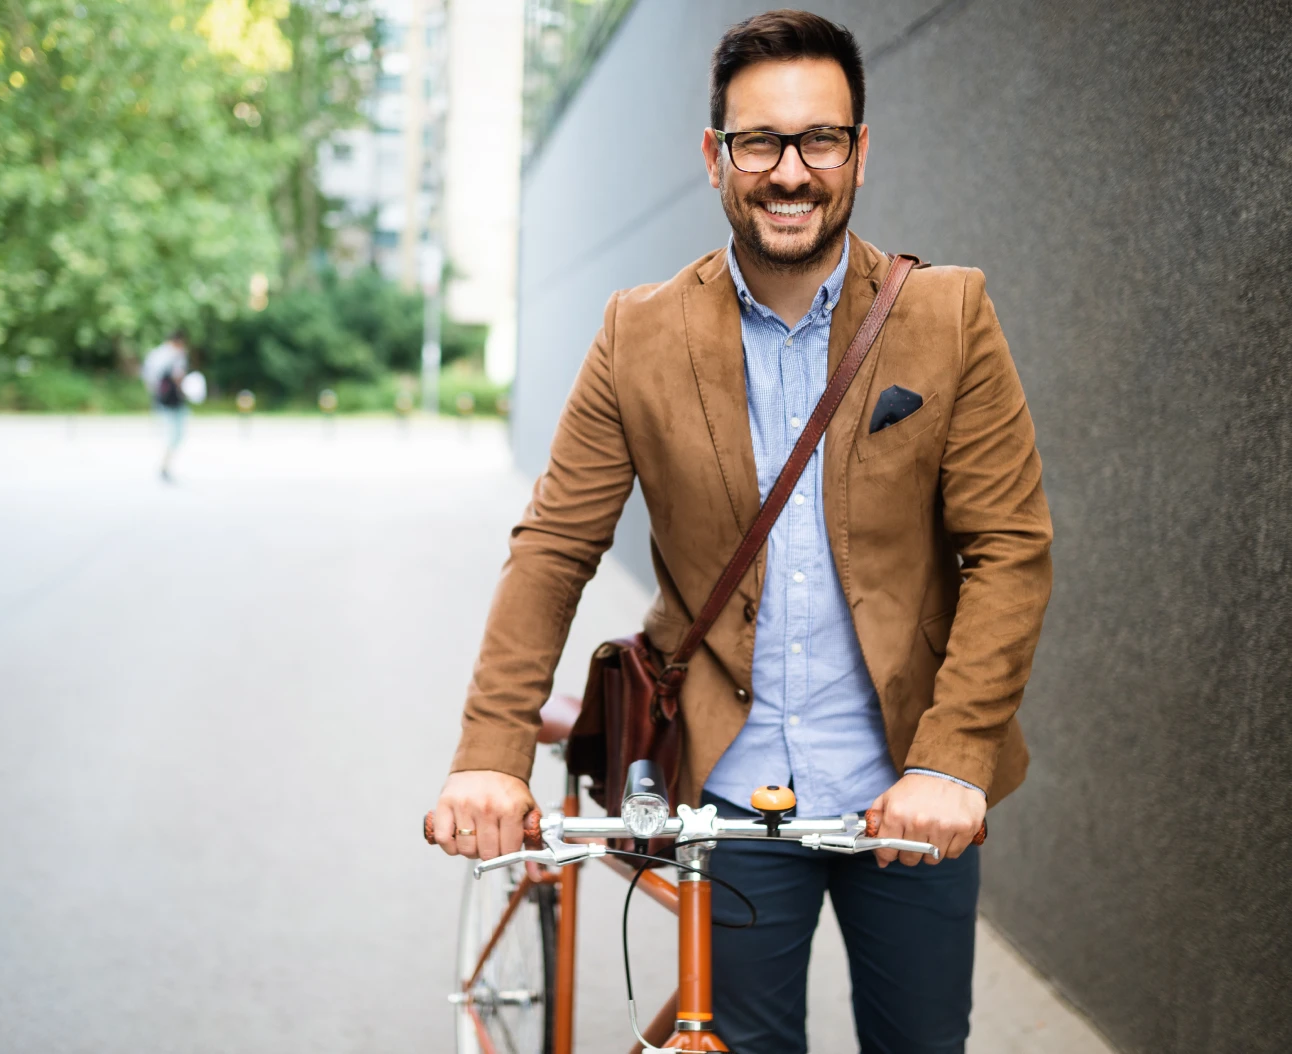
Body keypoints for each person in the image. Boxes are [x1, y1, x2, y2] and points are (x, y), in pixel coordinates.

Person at [430, 11, 1052, 1053]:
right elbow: (555, 546)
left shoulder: (948, 315)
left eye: (820, 139)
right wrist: (490, 754)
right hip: (728, 788)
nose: (790, 171)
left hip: (908, 785)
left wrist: (951, 762)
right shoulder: (639, 332)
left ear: (860, 151)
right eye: (760, 140)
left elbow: (1008, 548)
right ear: (716, 155)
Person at [141, 331, 189, 482]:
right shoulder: (176, 355)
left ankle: (165, 464)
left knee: (168, 432)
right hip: (174, 400)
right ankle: (165, 465)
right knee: (175, 434)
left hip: (161, 399)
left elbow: (148, 378)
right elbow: (178, 377)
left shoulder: (155, 354)